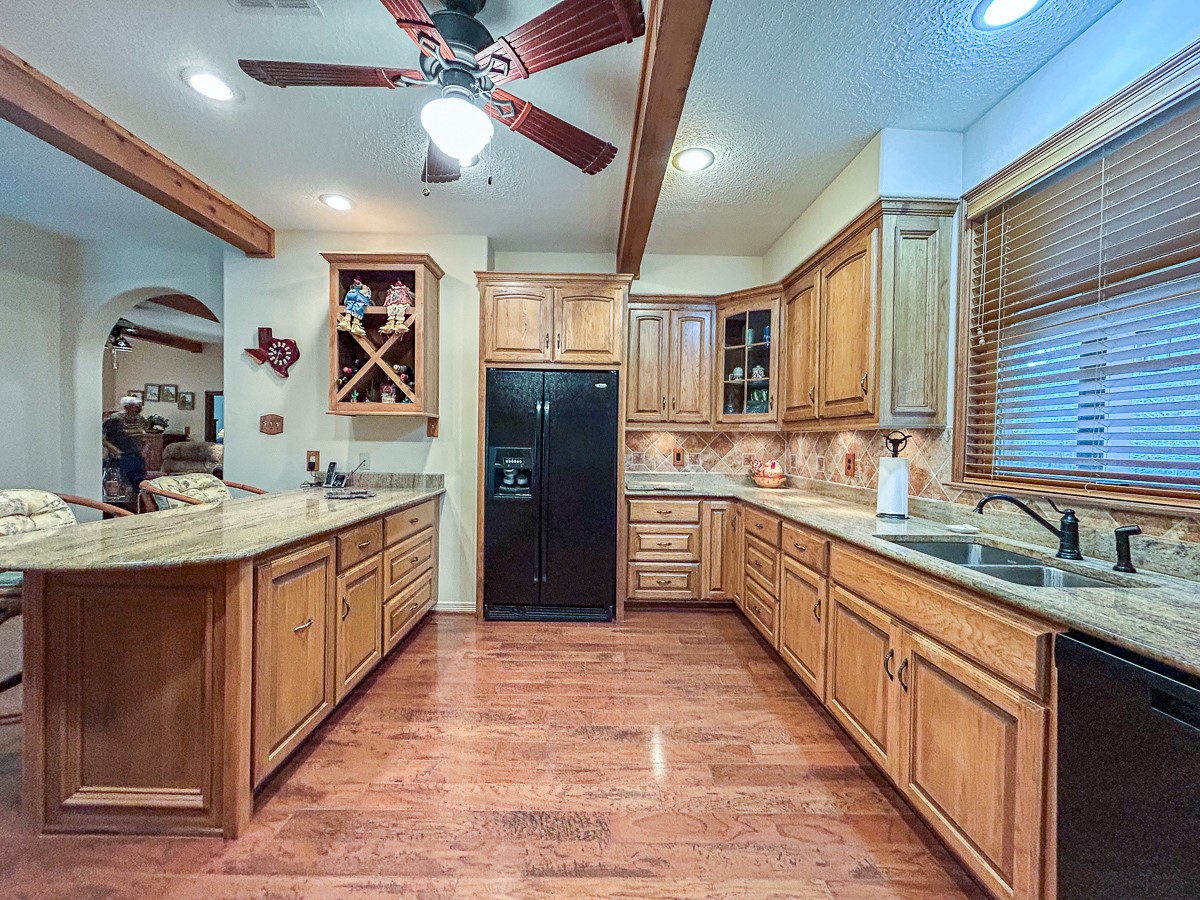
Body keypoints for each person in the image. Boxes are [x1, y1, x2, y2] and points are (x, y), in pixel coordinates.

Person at [103, 397, 148, 496]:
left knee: (139, 485)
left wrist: (143, 449)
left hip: (137, 457)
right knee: (121, 485)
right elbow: (103, 439)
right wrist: (115, 451)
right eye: (136, 406)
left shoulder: (141, 419)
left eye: (140, 406)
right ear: (126, 407)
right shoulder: (115, 420)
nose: (139, 409)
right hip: (120, 457)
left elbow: (143, 437)